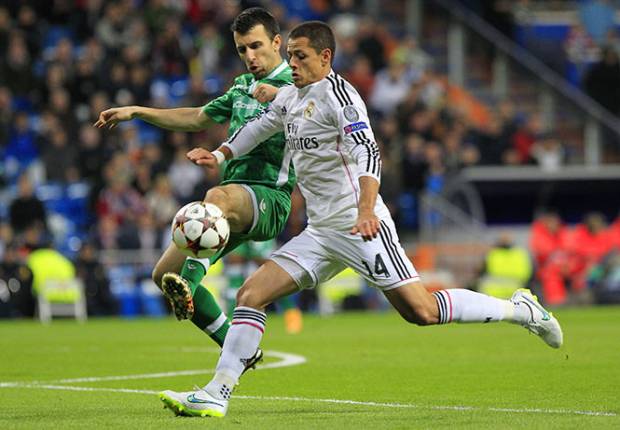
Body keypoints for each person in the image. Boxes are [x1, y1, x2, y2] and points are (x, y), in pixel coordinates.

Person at [159, 21, 563, 418]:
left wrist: (368, 209)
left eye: (300, 57)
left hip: (360, 226)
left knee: (420, 311)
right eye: (291, 56)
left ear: (325, 56)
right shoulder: (290, 97)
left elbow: (369, 153)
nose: (292, 63)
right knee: (251, 295)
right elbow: (259, 128)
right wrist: (220, 155)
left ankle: (520, 310)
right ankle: (217, 393)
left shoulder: (342, 98)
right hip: (320, 232)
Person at [94, 8, 294, 365]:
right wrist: (138, 111)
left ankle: (190, 282)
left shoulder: (296, 88)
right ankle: (238, 349)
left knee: (214, 198)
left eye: (256, 46)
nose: (249, 57)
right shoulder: (241, 87)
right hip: (229, 203)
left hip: (270, 198)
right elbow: (198, 117)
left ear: (277, 42)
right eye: (241, 50)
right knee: (162, 274)